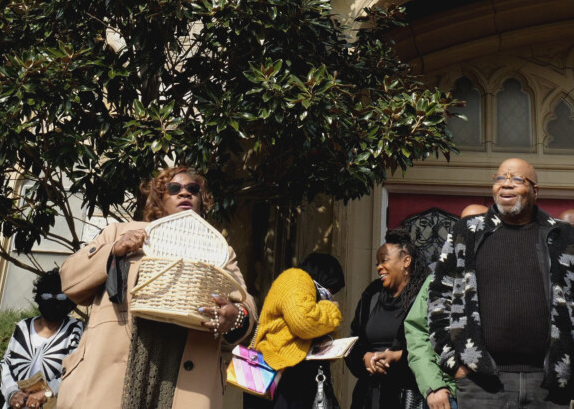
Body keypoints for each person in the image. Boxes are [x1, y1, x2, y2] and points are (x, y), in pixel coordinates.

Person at [57, 166, 256, 409]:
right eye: (174, 189)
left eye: (193, 189)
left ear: (202, 201)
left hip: (185, 382)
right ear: (159, 199)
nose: (185, 194)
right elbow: (69, 280)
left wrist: (235, 317)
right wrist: (113, 250)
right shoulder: (120, 232)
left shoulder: (220, 251)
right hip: (112, 378)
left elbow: (246, 308)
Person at [428, 158, 574, 408]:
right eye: (500, 178)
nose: (506, 185)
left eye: (517, 179)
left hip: (553, 387)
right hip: (482, 386)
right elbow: (437, 300)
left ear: (535, 191)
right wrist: (455, 365)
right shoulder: (466, 232)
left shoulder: (563, 236)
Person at [404, 204, 487, 409]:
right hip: (451, 394)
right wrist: (434, 386)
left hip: (501, 392)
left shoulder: (510, 273)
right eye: (463, 224)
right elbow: (417, 333)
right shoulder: (437, 278)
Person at [244, 252, 345, 409]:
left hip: (294, 377)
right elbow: (303, 322)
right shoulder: (297, 279)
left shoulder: (311, 293)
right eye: (331, 290)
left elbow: (320, 330)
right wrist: (331, 309)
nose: (331, 296)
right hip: (277, 375)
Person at [347, 228, 424, 409]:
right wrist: (365, 357)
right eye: (377, 262)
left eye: (384, 260)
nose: (378, 267)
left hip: (406, 395)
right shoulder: (372, 294)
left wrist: (397, 357)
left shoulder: (423, 295)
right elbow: (352, 342)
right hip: (368, 396)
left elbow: (431, 347)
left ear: (406, 261)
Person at [0, 268, 84, 409]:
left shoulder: (74, 328)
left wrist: (48, 391)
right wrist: (11, 392)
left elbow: (76, 368)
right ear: (39, 298)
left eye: (61, 297)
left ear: (69, 302)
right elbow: (6, 364)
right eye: (47, 296)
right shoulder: (23, 327)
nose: (53, 300)